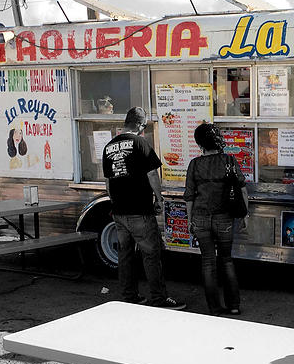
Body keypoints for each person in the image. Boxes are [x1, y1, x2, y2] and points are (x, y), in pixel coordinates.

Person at [102, 107, 186, 310]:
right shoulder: (140, 143)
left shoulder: (109, 146)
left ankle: (129, 296)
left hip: (119, 212)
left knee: (125, 255)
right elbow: (152, 175)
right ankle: (159, 298)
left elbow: (108, 182)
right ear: (140, 125)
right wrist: (159, 197)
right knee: (151, 255)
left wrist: (116, 202)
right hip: (139, 210)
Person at [183, 123, 248, 315]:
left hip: (201, 218)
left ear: (199, 143)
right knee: (227, 260)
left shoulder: (195, 164)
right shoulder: (228, 160)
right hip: (224, 219)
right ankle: (234, 305)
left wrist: (189, 221)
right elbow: (242, 189)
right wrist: (245, 215)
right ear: (218, 140)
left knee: (208, 262)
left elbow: (189, 196)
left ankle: (213, 307)